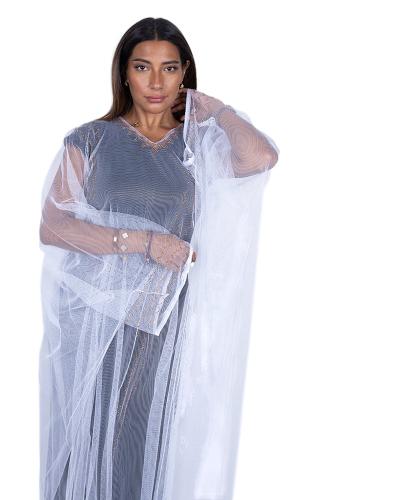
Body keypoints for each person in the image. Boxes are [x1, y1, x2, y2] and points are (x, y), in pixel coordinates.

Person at [38, 17, 279, 500]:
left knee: (145, 443)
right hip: (96, 325)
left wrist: (217, 110)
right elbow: (54, 225)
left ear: (184, 73)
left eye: (169, 68)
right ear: (124, 73)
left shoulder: (198, 146)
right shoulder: (90, 140)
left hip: (165, 325)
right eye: (142, 67)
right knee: (87, 441)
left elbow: (261, 158)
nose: (155, 82)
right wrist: (144, 243)